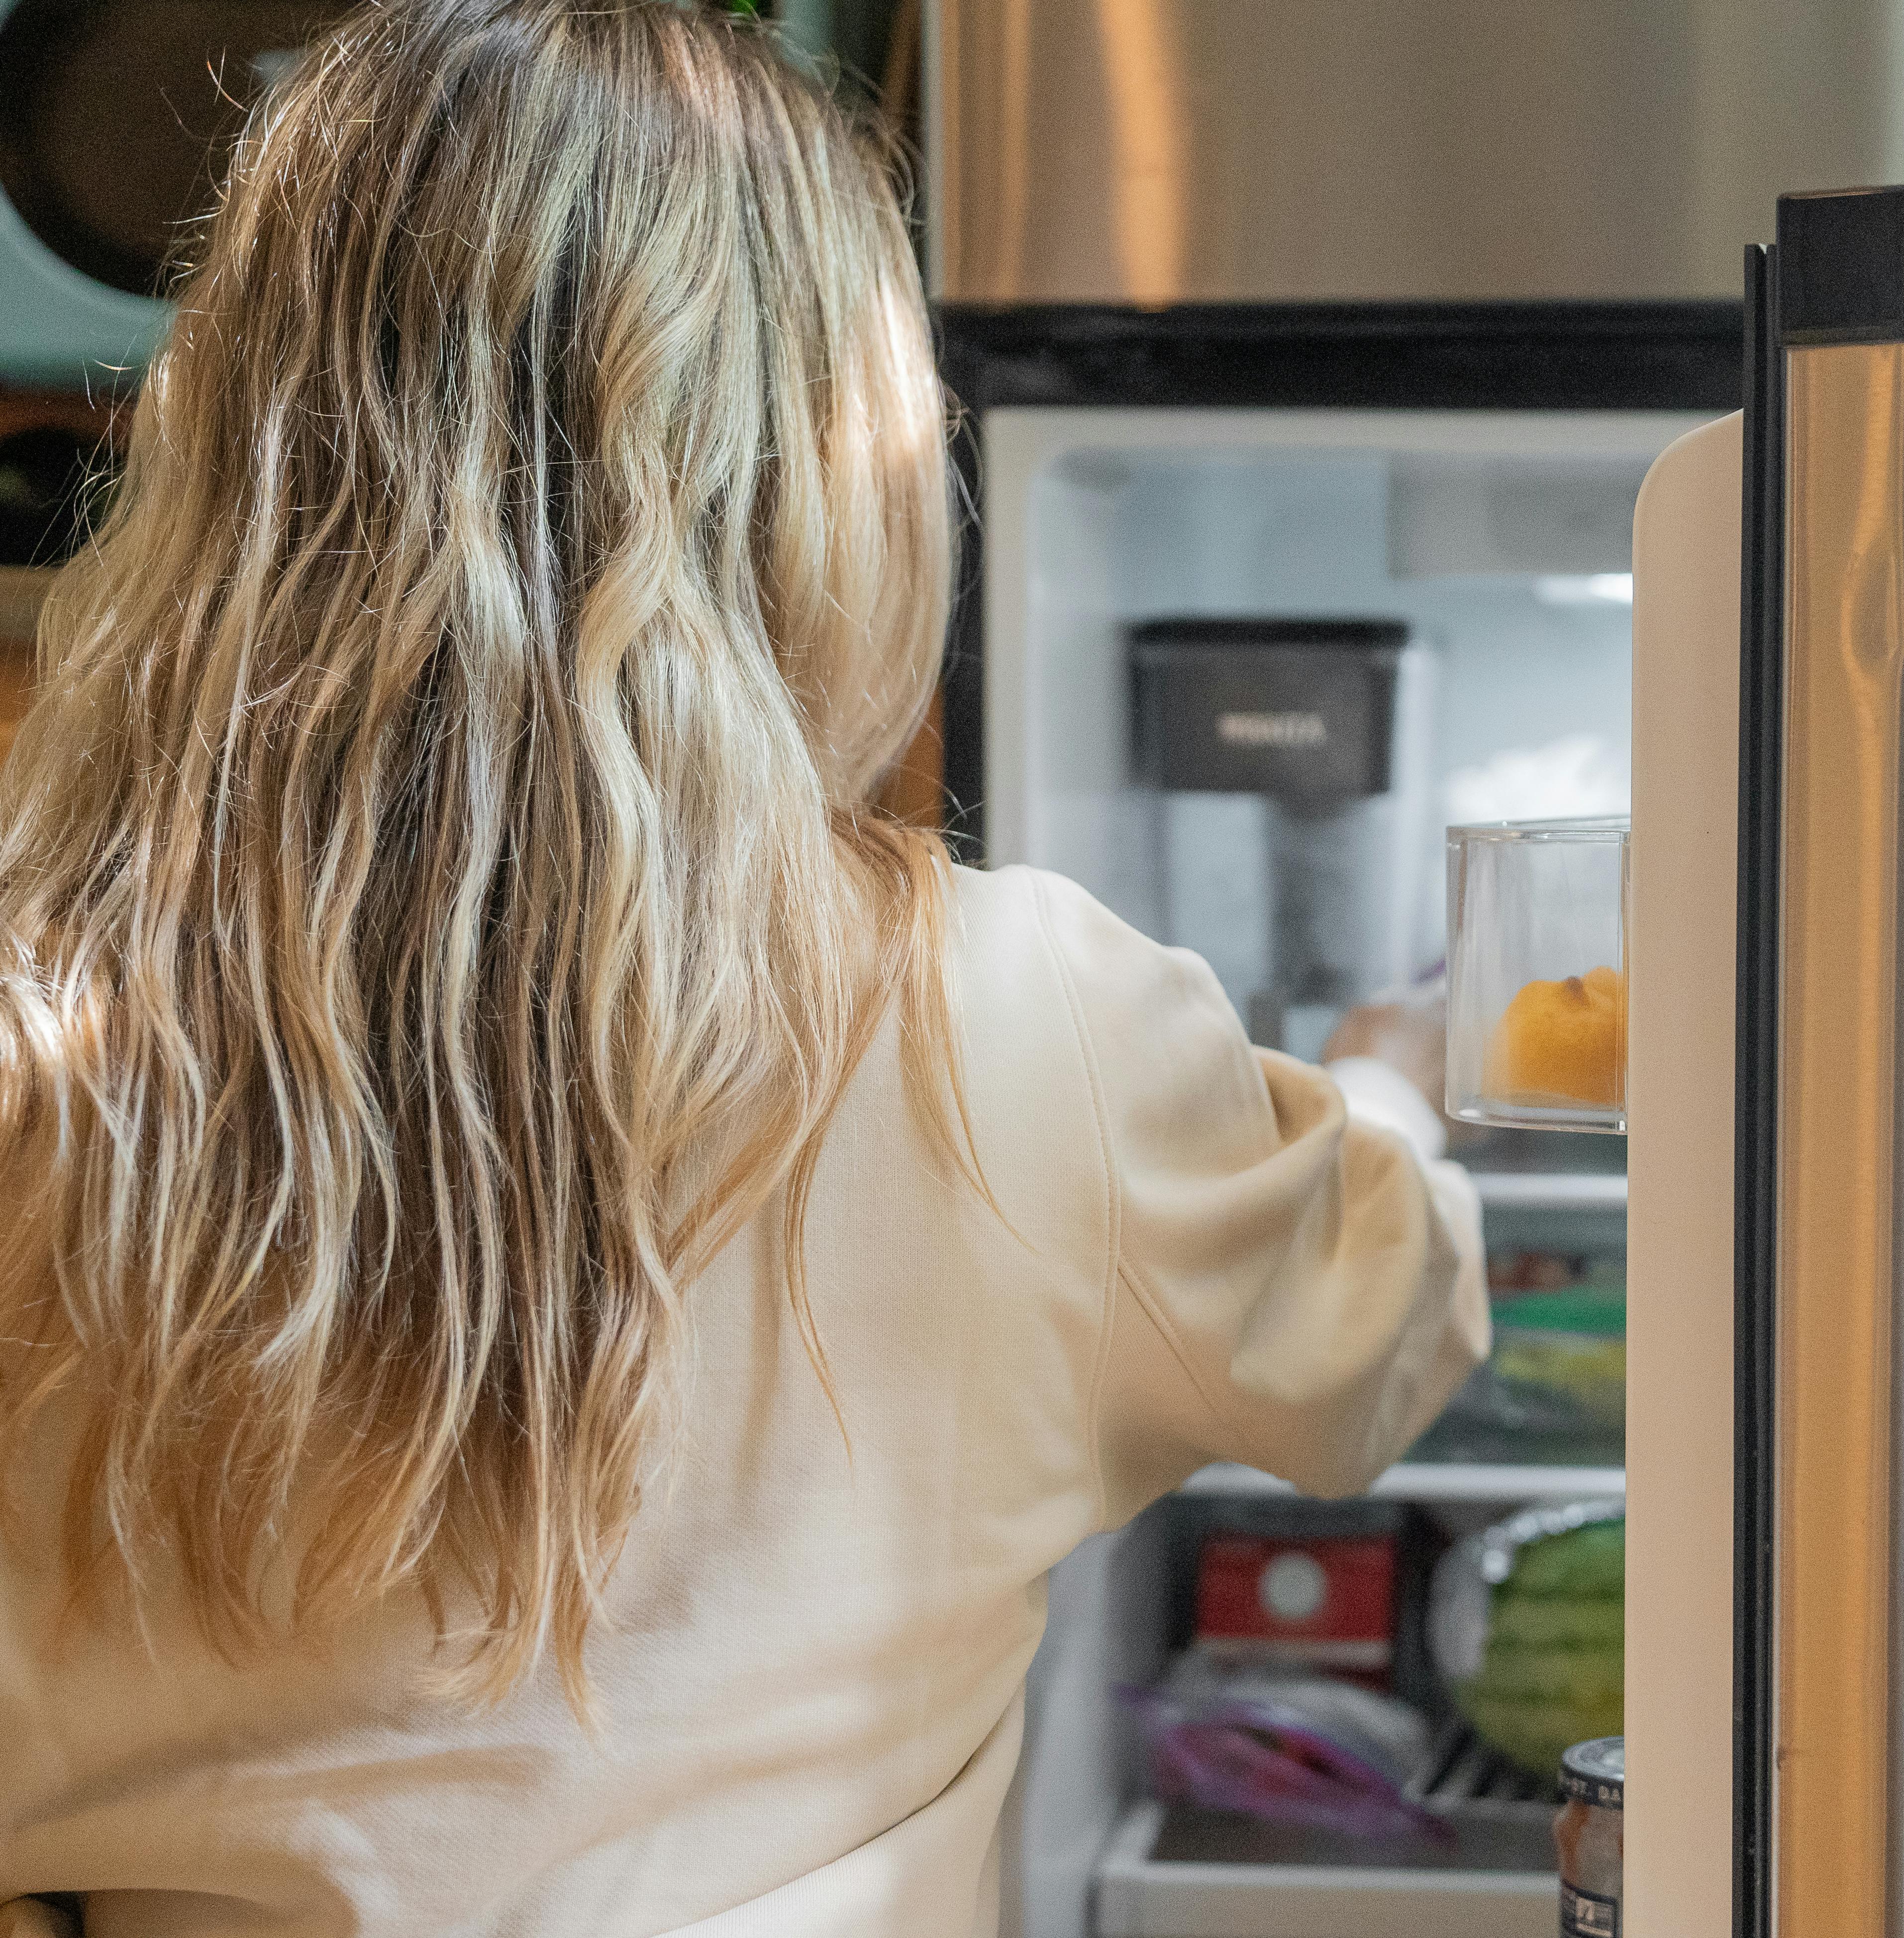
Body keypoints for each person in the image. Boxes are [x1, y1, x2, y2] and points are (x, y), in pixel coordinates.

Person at [0, 3, 1486, 1931]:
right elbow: (1368, 1354)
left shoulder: (44, 1040)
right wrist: (1385, 1077)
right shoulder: (1019, 1025)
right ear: (822, 474)